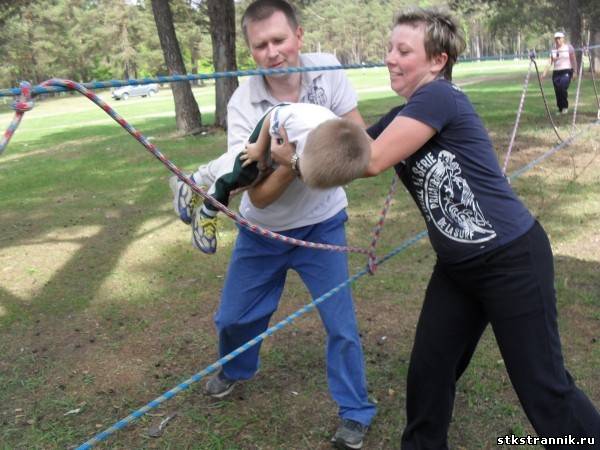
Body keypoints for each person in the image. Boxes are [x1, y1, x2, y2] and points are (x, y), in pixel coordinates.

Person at [271, 7, 600, 448]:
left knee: (545, 390)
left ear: (438, 60)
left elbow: (371, 161)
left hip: (511, 260)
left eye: (403, 50)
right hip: (458, 269)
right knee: (430, 373)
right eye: (389, 48)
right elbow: (351, 151)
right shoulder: (403, 114)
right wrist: (276, 147)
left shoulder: (439, 97)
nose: (390, 58)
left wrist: (293, 160)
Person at [170, 1, 376, 448]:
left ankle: (355, 411)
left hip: (323, 224)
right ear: (250, 49)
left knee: (341, 325)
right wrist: (290, 164)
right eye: (260, 45)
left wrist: (302, 160)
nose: (272, 52)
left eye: (279, 40)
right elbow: (258, 196)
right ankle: (236, 368)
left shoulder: (327, 70)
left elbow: (360, 142)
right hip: (263, 230)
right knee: (233, 318)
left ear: (298, 35)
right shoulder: (244, 103)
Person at [169, 102, 370, 254]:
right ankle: (207, 212)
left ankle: (191, 182)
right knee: (242, 170)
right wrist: (259, 148)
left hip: (287, 141)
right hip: (269, 128)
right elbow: (274, 113)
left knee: (245, 171)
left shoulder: (335, 145)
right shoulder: (302, 129)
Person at [549, 31, 578, 115]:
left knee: (562, 88)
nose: (557, 40)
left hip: (566, 70)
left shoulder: (569, 47)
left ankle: (565, 107)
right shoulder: (553, 49)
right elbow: (550, 61)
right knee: (557, 90)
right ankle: (560, 108)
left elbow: (573, 60)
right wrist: (544, 73)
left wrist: (575, 71)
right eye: (556, 38)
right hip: (556, 72)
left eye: (559, 38)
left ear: (563, 39)